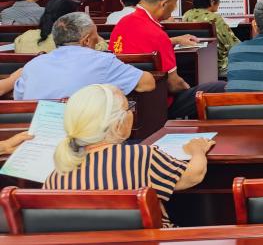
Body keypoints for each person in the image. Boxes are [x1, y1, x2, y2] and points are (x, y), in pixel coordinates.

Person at [43, 84, 214, 227]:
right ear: (118, 124)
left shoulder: (53, 178)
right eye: (128, 108)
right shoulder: (139, 157)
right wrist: (197, 150)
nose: (131, 113)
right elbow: (193, 175)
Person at [109, 0, 224, 119]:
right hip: (158, 105)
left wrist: (174, 40)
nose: (174, 8)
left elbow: (139, 44)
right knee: (219, 88)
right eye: (175, 3)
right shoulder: (157, 34)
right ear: (164, 4)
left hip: (125, 101)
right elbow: (173, 85)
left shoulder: (121, 24)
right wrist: (189, 88)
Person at [16, 12, 155, 100]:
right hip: (84, 134)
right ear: (86, 41)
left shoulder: (33, 64)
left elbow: (19, 98)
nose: (98, 40)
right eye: (96, 36)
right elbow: (147, 83)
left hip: (38, 133)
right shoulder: (102, 61)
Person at [182, 0, 241, 77]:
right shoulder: (215, 18)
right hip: (219, 67)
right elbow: (233, 45)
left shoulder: (187, 15)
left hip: (195, 65)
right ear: (212, 1)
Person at [15, 0, 108, 54]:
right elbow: (104, 50)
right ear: (69, 19)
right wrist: (94, 33)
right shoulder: (73, 43)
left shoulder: (24, 37)